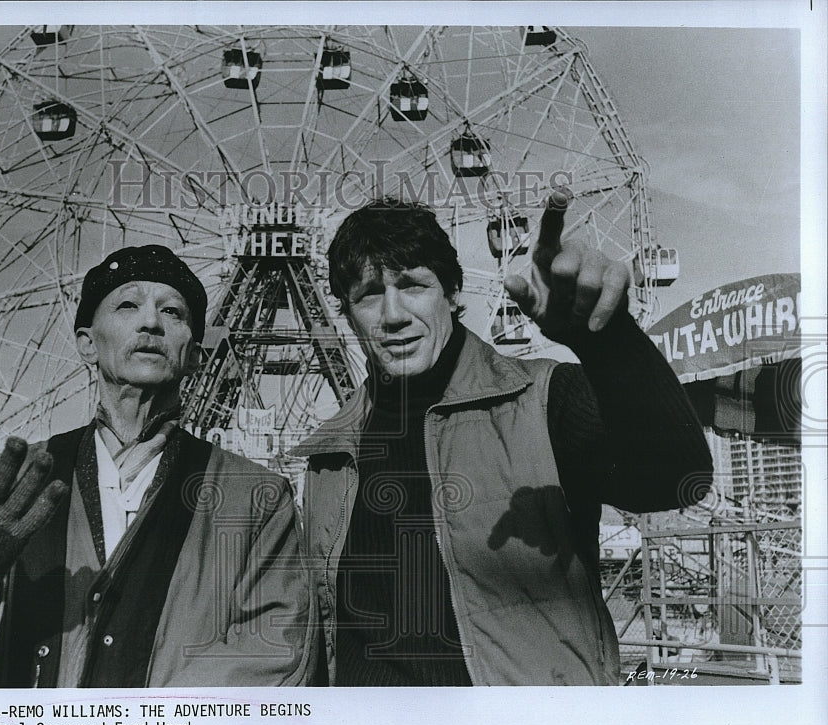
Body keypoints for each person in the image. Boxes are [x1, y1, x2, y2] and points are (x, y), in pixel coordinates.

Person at [292, 196, 713, 686]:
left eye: (412, 286)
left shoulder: (543, 401)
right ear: (346, 313)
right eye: (368, 294)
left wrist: (605, 339)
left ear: (451, 293)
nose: (393, 315)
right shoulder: (330, 454)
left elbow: (679, 478)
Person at [0, 245, 317, 687]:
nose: (152, 321)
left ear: (196, 354)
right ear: (86, 343)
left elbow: (279, 651)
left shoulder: (256, 496)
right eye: (127, 305)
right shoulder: (17, 481)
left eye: (173, 312)